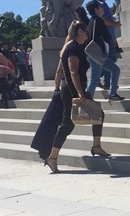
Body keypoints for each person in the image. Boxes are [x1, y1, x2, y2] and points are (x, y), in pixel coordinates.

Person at [45, 20, 110, 173]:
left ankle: (96, 146)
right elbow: (72, 71)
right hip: (73, 89)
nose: (87, 32)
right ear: (79, 31)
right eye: (85, 30)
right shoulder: (73, 48)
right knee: (67, 123)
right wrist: (80, 93)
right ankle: (52, 157)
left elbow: (59, 71)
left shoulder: (75, 47)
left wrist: (56, 88)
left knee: (98, 114)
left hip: (73, 87)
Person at [84, 0, 123, 101]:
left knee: (94, 78)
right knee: (115, 70)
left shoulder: (92, 21)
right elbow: (106, 37)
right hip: (98, 55)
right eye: (100, 7)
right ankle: (112, 94)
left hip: (92, 54)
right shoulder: (99, 21)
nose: (102, 8)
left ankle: (88, 99)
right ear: (96, 9)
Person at [92, 0, 121, 89]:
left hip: (108, 37)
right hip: (106, 37)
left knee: (111, 59)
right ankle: (98, 78)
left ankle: (105, 82)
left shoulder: (101, 4)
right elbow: (104, 20)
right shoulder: (102, 5)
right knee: (111, 60)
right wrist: (115, 24)